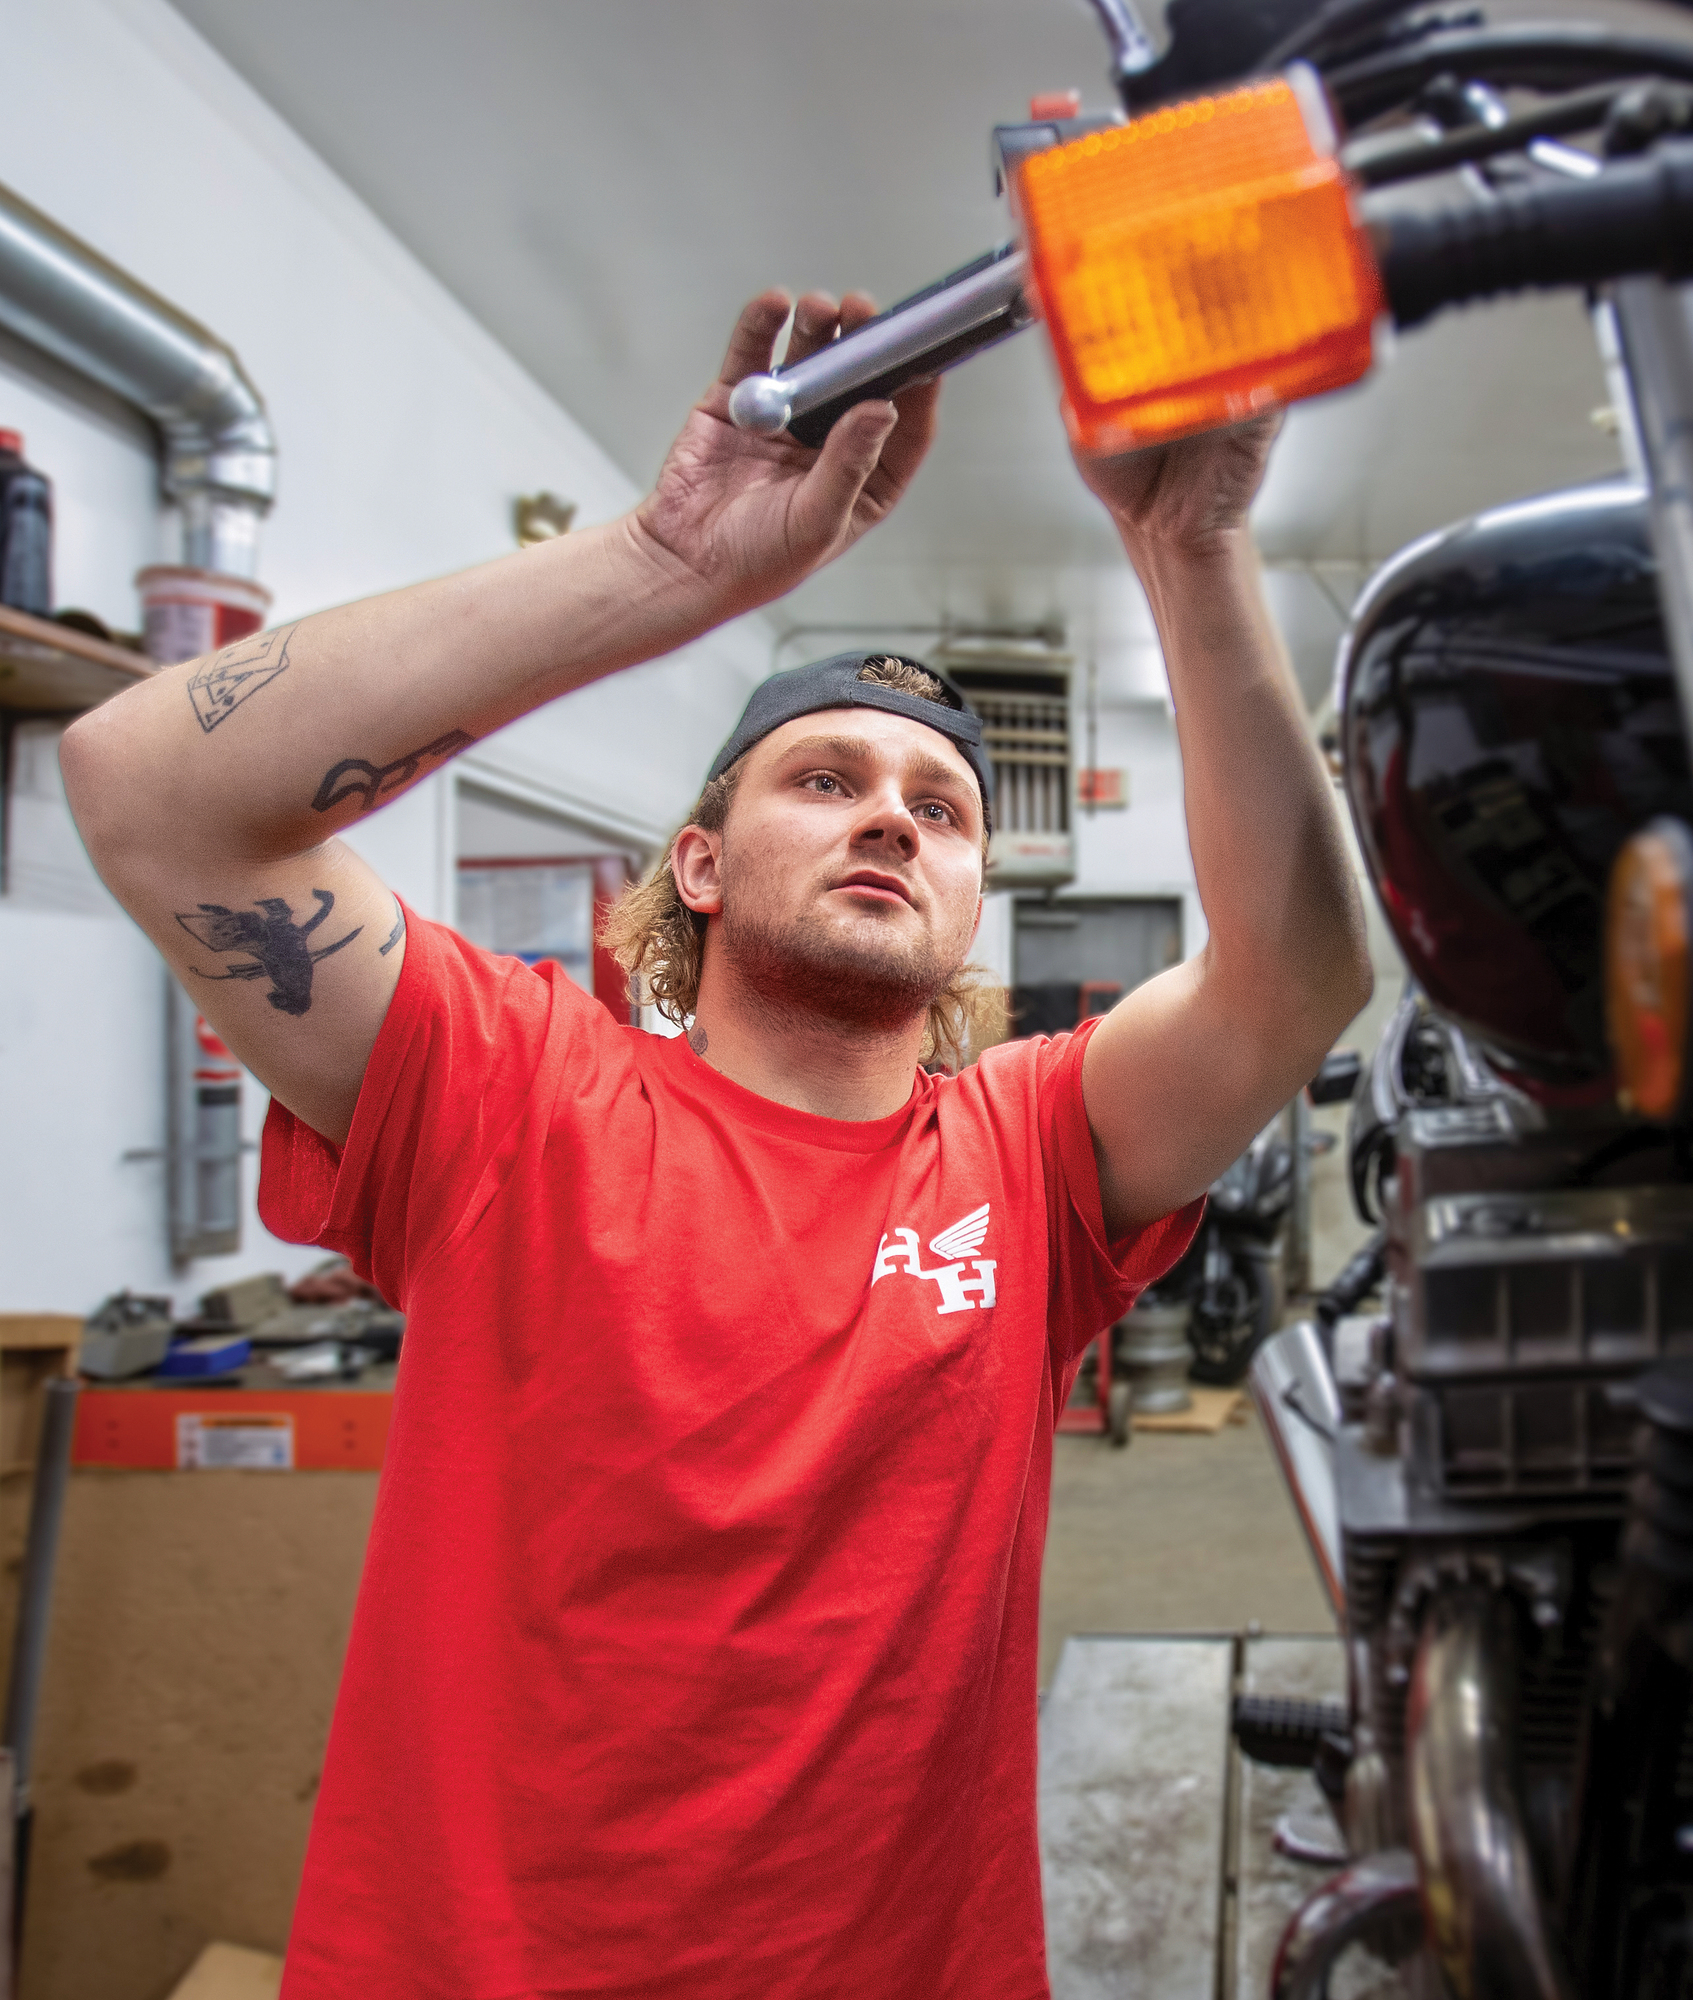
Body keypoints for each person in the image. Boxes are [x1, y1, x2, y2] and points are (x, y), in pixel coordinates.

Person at [59, 289, 1373, 1997]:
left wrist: (1196, 550)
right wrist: (672, 564)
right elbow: (148, 791)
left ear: (973, 896)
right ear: (699, 864)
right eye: (823, 779)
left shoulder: (1029, 1149)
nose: (895, 810)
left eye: (942, 805)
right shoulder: (511, 1101)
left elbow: (1298, 978)